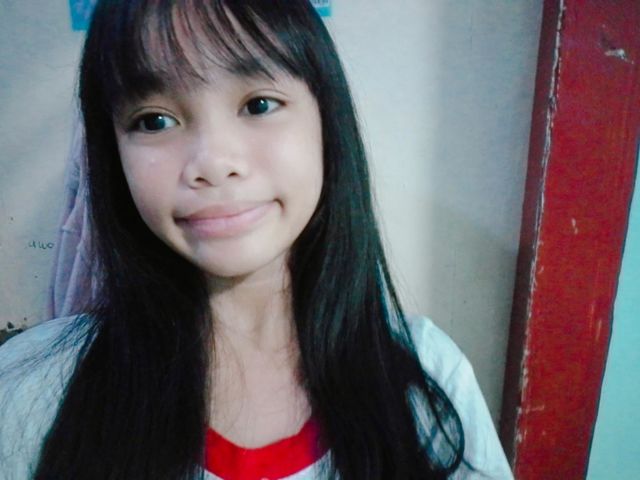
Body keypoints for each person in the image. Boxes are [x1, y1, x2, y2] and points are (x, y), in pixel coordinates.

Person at [0, 1, 513, 479]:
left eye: (259, 104)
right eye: (154, 120)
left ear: (326, 123)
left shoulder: (427, 374)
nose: (213, 162)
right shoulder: (29, 389)